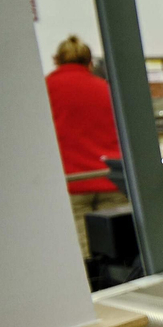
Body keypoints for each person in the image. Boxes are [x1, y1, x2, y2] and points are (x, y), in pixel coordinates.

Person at [44, 35, 126, 257]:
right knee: (118, 247)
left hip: (72, 183)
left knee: (84, 253)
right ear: (90, 63)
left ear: (56, 60)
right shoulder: (107, 89)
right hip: (110, 178)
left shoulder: (44, 89)